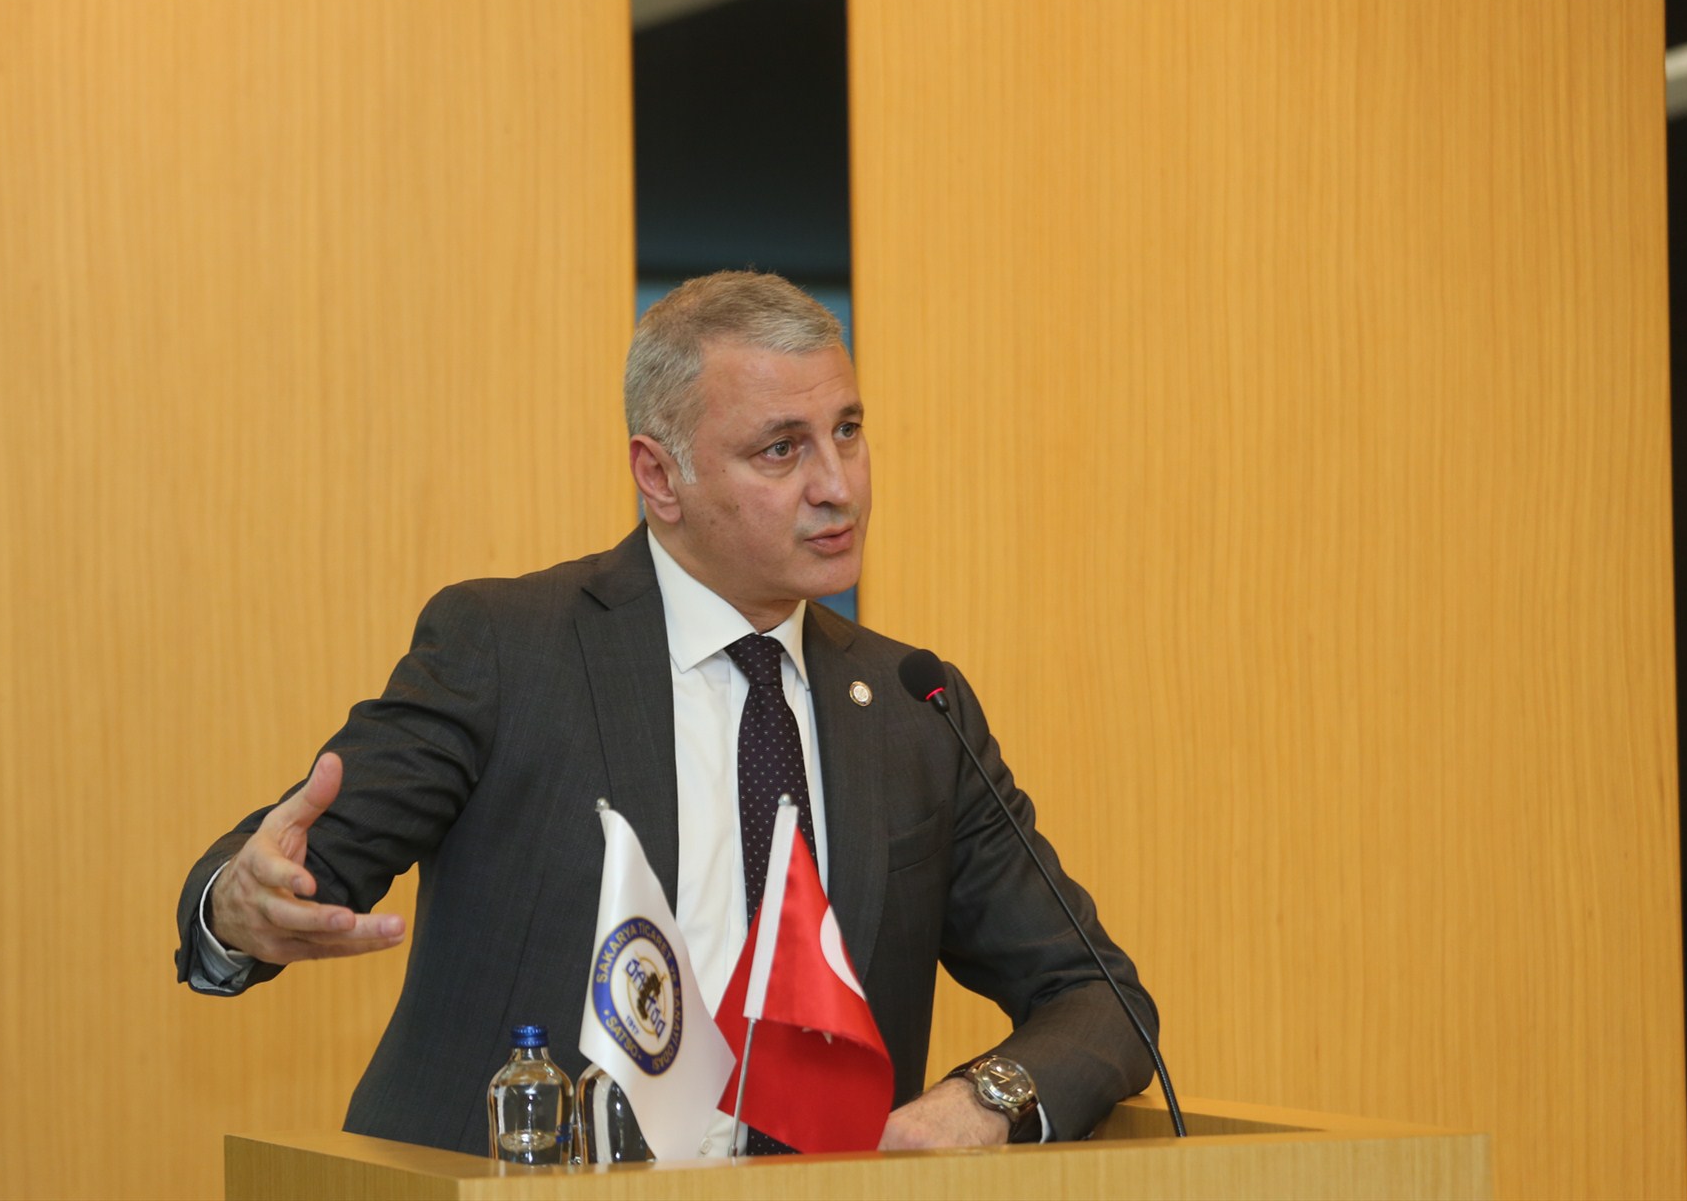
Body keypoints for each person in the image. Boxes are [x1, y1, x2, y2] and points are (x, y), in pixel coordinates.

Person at [175, 271, 1157, 1155]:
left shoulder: (915, 710)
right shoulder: (511, 649)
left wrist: (987, 1098)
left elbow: (1100, 998)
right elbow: (294, 869)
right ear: (659, 475)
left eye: (849, 431)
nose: (838, 486)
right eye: (782, 448)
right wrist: (236, 908)